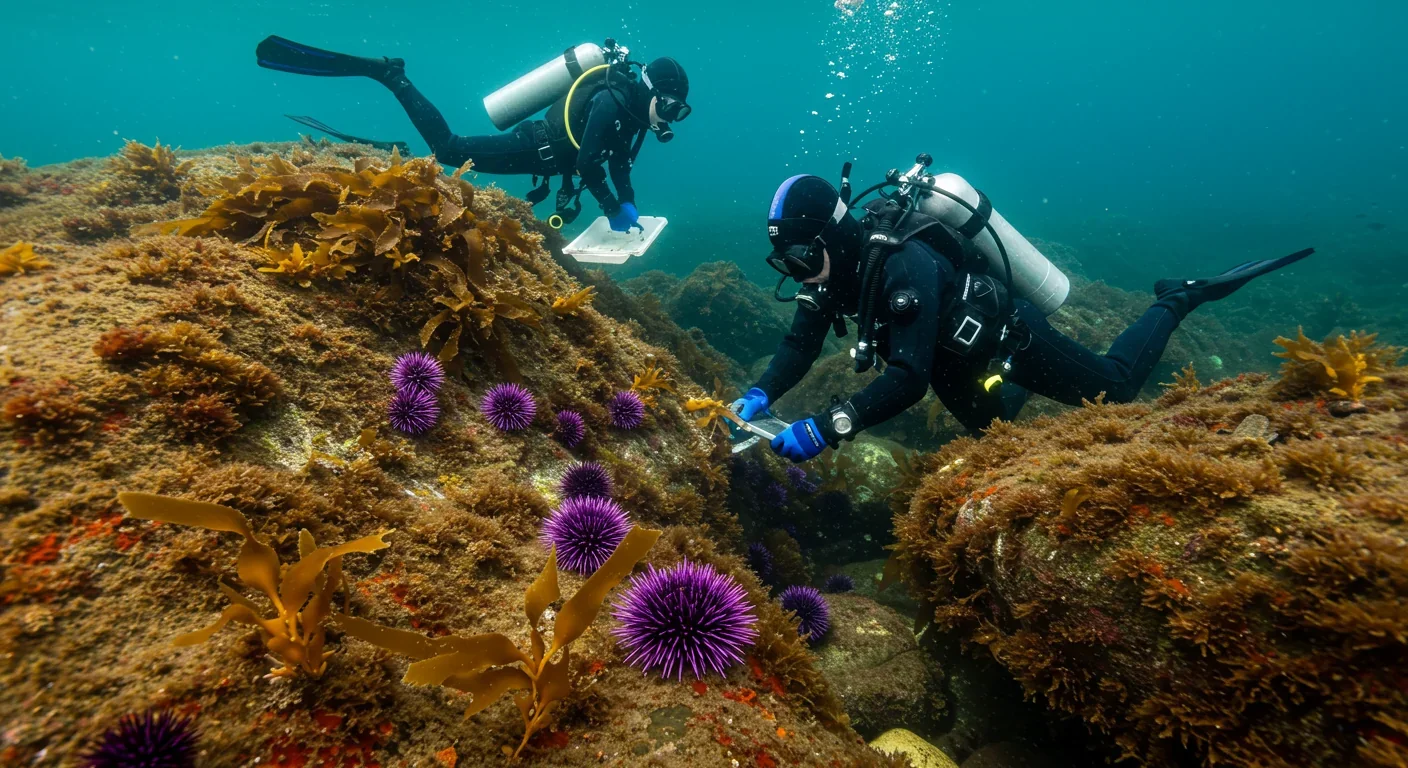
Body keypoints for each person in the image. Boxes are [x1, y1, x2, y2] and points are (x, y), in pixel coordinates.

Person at [734, 172, 1313, 463]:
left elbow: (906, 380)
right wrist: (760, 391)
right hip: (951, 363)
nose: (796, 271)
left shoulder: (902, 266)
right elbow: (800, 343)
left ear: (834, 236)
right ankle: (1008, 387)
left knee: (1116, 387)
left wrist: (830, 425)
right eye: (783, 259)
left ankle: (1177, 297)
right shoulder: (831, 275)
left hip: (1012, 337)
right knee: (998, 435)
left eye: (804, 256)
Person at [254, 36, 691, 231]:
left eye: (679, 113)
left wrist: (628, 201)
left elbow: (617, 161)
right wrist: (613, 209)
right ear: (652, 91)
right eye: (670, 107)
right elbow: (585, 162)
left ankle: (399, 124)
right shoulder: (613, 101)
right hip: (533, 146)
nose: (670, 119)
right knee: (449, 149)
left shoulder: (634, 117)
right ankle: (392, 77)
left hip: (545, 155)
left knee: (449, 153)